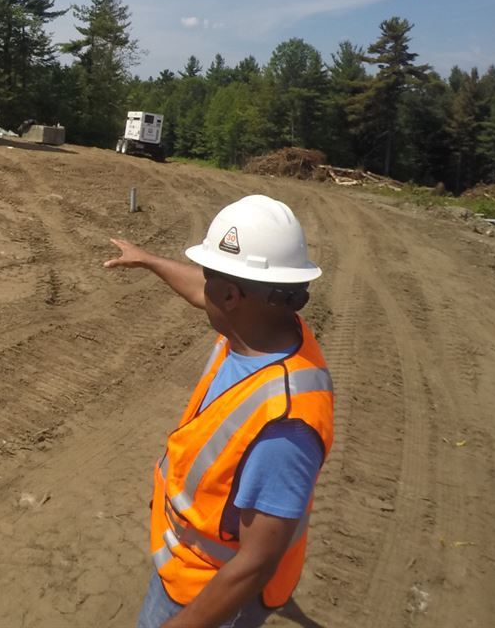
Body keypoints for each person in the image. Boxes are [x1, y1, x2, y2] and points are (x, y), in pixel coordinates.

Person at [104, 195, 334, 628]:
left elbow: (255, 563)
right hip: (188, 570)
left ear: (230, 295)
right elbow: (200, 288)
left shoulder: (286, 425)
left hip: (208, 597)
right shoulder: (265, 327)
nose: (200, 284)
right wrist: (148, 260)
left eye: (211, 276)